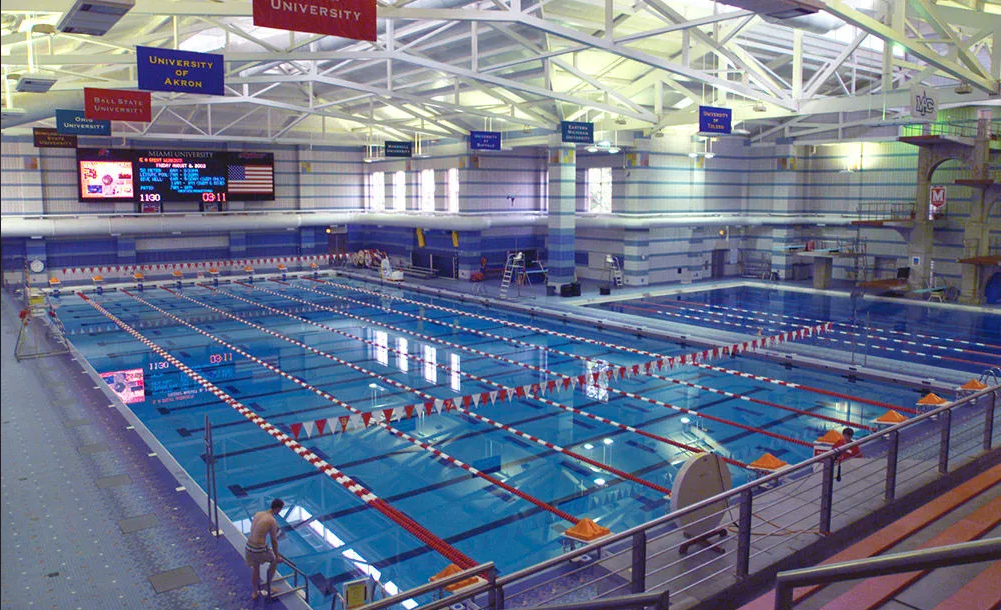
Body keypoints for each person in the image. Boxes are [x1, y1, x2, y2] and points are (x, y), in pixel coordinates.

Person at [246, 498, 284, 600]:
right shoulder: (272, 521)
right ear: (277, 508)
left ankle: (254, 592)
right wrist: (277, 555)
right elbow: (274, 540)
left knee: (255, 568)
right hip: (258, 549)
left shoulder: (259, 514)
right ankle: (268, 586)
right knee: (274, 561)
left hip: (248, 547)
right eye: (280, 510)